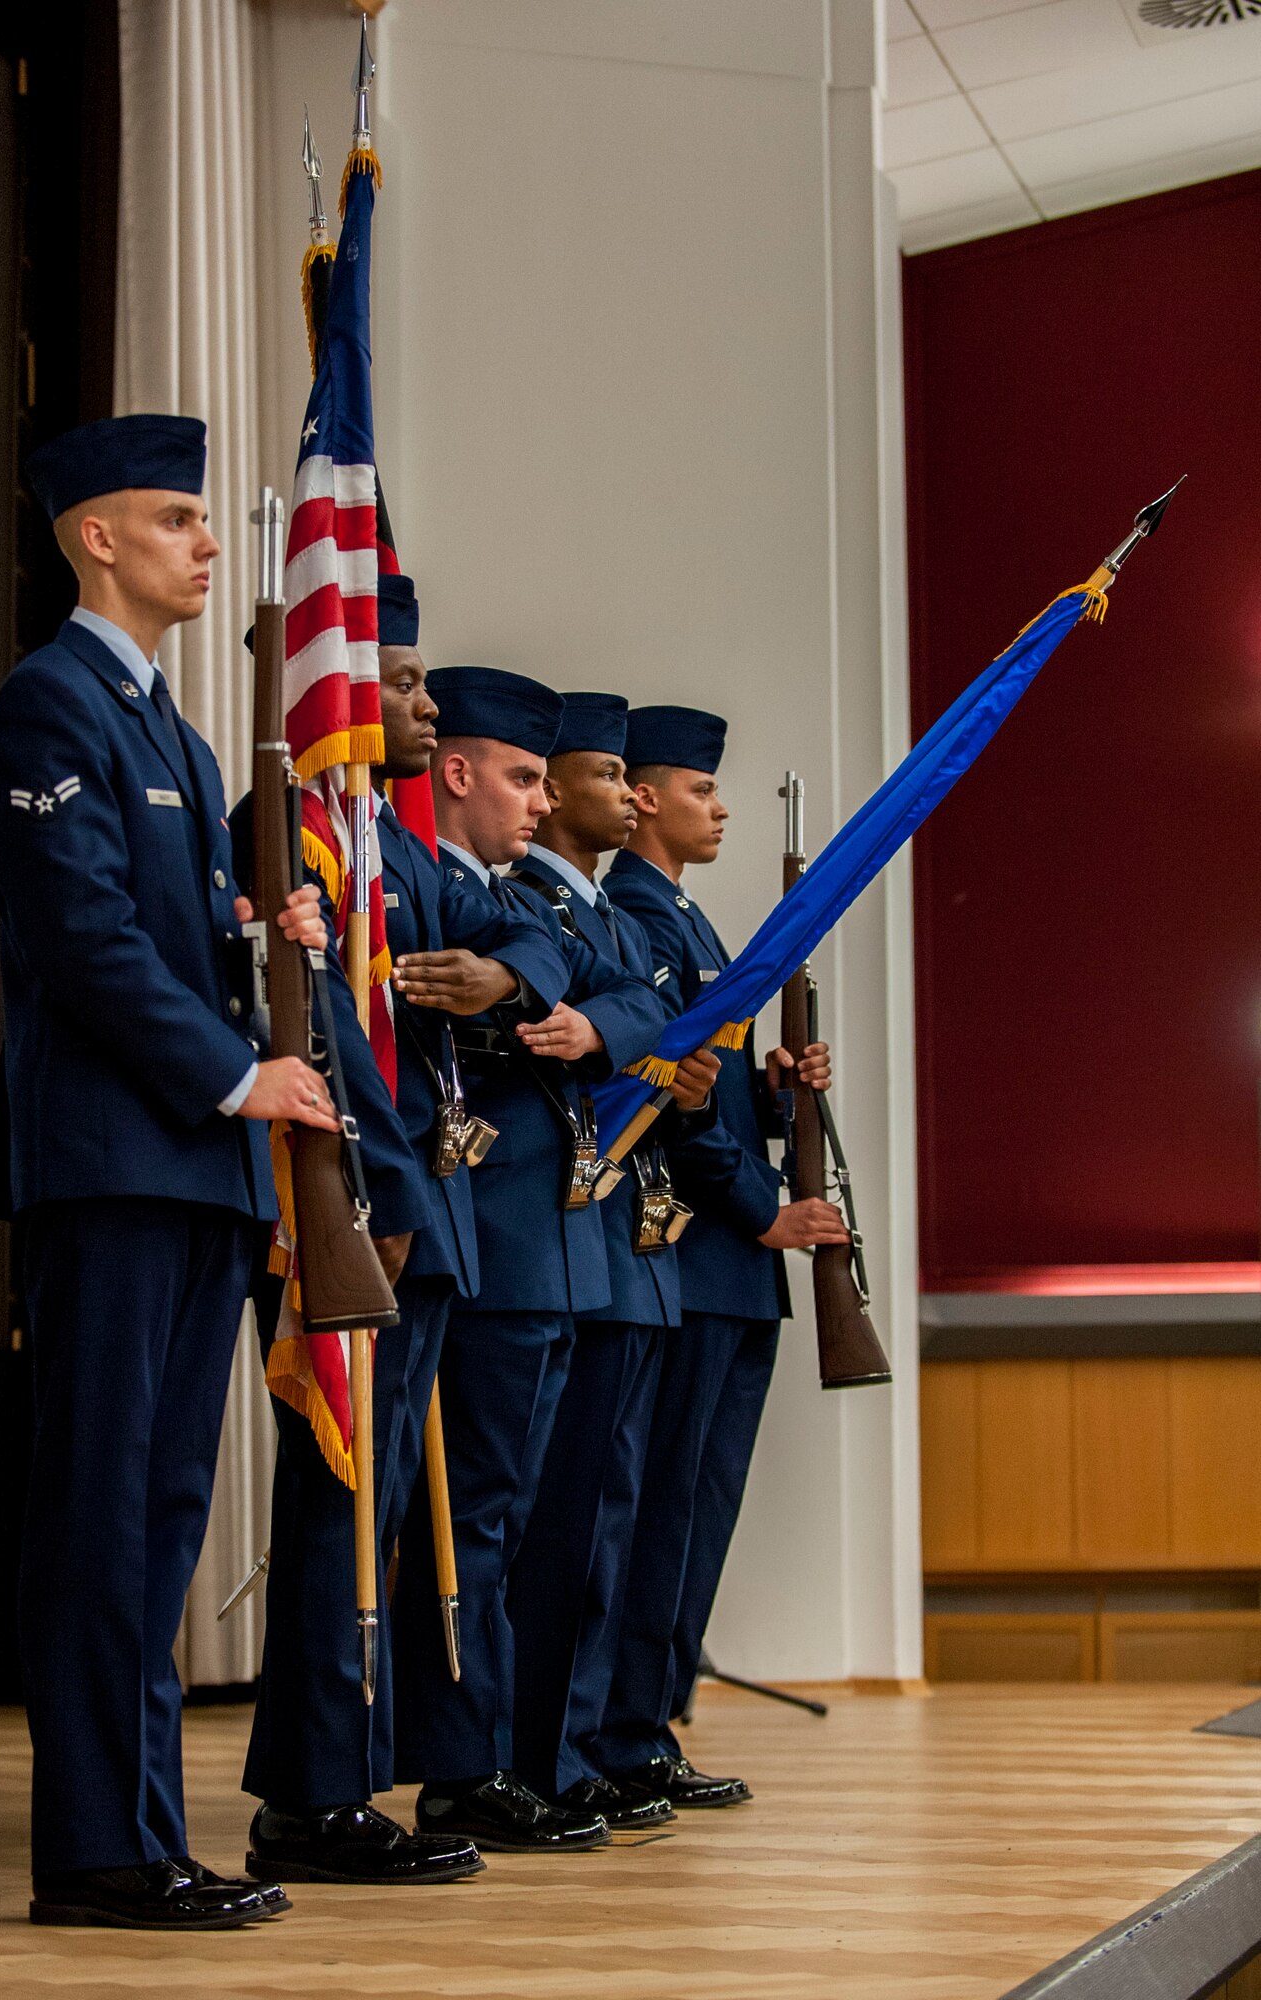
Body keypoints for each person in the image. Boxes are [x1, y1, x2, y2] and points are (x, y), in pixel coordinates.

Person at [0, 413, 338, 1929]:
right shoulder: (51, 704)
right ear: (96, 537)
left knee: (164, 1510)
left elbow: (172, 933)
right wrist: (235, 1071)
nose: (203, 543)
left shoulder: (178, 736)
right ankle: (96, 1851)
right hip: (117, 1161)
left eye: (201, 520)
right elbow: (83, 937)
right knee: (102, 1506)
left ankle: (144, 1835)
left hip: (193, 1167)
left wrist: (267, 941)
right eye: (175, 518)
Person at [237, 578, 569, 1886]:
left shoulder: (400, 850)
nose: (425, 702)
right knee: (339, 1505)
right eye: (404, 677)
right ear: (328, 681)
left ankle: (355, 1775)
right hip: (347, 1208)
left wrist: (505, 976)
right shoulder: (288, 830)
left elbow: (530, 925)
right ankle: (310, 1795)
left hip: (418, 1212)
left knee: (380, 1513)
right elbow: (308, 1021)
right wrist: (380, 1191)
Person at [389, 667, 666, 1852]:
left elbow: (637, 997)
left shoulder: (512, 903)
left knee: (519, 1517)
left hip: (550, 1243)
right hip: (491, 1235)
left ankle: (496, 1752)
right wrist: (524, 990)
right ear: (459, 772)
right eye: (523, 777)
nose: (543, 801)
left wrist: (592, 1021)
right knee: (479, 1519)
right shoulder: (429, 878)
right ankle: (465, 1762)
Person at [591, 704, 847, 1810]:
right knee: (665, 1510)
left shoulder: (687, 919)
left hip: (728, 1268)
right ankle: (628, 1730)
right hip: (695, 1252)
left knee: (698, 1509)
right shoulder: (641, 918)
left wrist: (776, 1086)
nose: (720, 807)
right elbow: (674, 1109)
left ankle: (650, 1720)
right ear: (647, 797)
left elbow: (719, 1091)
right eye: (700, 789)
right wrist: (760, 1210)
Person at [503, 692, 720, 1831]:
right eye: (602, 775)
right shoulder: (540, 900)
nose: (624, 795)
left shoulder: (613, 916)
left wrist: (641, 1039)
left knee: (612, 1513)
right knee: (564, 1517)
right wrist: (627, 1031)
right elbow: (618, 1013)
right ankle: (548, 1751)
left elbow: (643, 1012)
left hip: (624, 1238)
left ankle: (582, 1744)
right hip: (569, 1228)